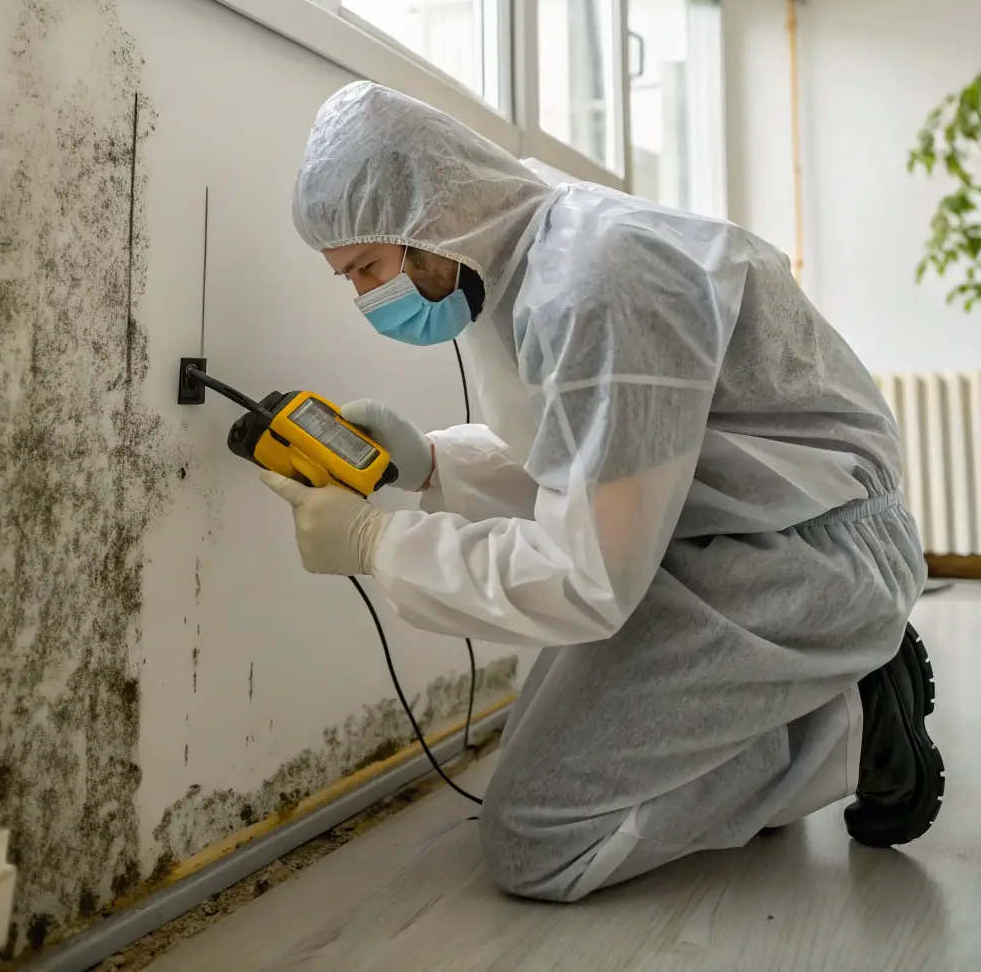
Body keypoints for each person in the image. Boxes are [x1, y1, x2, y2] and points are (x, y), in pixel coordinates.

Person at [261, 79, 944, 903]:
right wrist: (432, 466)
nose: (367, 297)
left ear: (427, 218)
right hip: (724, 534)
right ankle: (806, 689)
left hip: (808, 554)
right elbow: (606, 462)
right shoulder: (529, 255)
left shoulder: (596, 282)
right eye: (349, 278)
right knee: (546, 757)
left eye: (367, 267)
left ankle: (851, 716)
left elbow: (590, 579)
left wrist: (379, 542)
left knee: (537, 836)